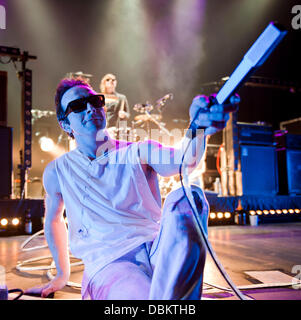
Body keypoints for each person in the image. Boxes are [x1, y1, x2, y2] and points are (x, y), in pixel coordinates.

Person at [25, 78, 239, 300]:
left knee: (190, 197)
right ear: (65, 124)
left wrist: (199, 127)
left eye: (95, 101)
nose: (90, 108)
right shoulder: (57, 171)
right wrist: (62, 275)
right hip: (110, 264)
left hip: (157, 250)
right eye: (78, 106)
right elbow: (53, 220)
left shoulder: (138, 151)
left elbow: (183, 161)